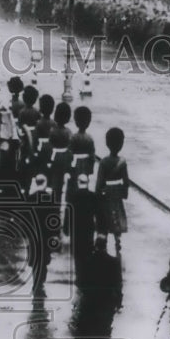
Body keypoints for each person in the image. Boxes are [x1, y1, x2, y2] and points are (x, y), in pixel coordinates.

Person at [75, 235, 123, 339]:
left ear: (95, 245)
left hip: (91, 302)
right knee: (102, 332)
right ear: (105, 245)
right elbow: (118, 284)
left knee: (92, 332)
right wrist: (119, 301)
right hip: (106, 303)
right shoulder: (113, 262)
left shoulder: (88, 261)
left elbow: (80, 283)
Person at [69, 106, 97, 283]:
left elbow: (69, 152)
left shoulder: (73, 137)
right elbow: (93, 156)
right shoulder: (89, 138)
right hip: (85, 165)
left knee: (73, 190)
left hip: (75, 166)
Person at [94, 126, 129, 254]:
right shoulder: (122, 162)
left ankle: (103, 240)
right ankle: (118, 239)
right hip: (117, 192)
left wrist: (97, 194)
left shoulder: (103, 162)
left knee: (104, 216)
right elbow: (126, 181)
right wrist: (124, 193)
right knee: (117, 215)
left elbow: (99, 182)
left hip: (106, 192)